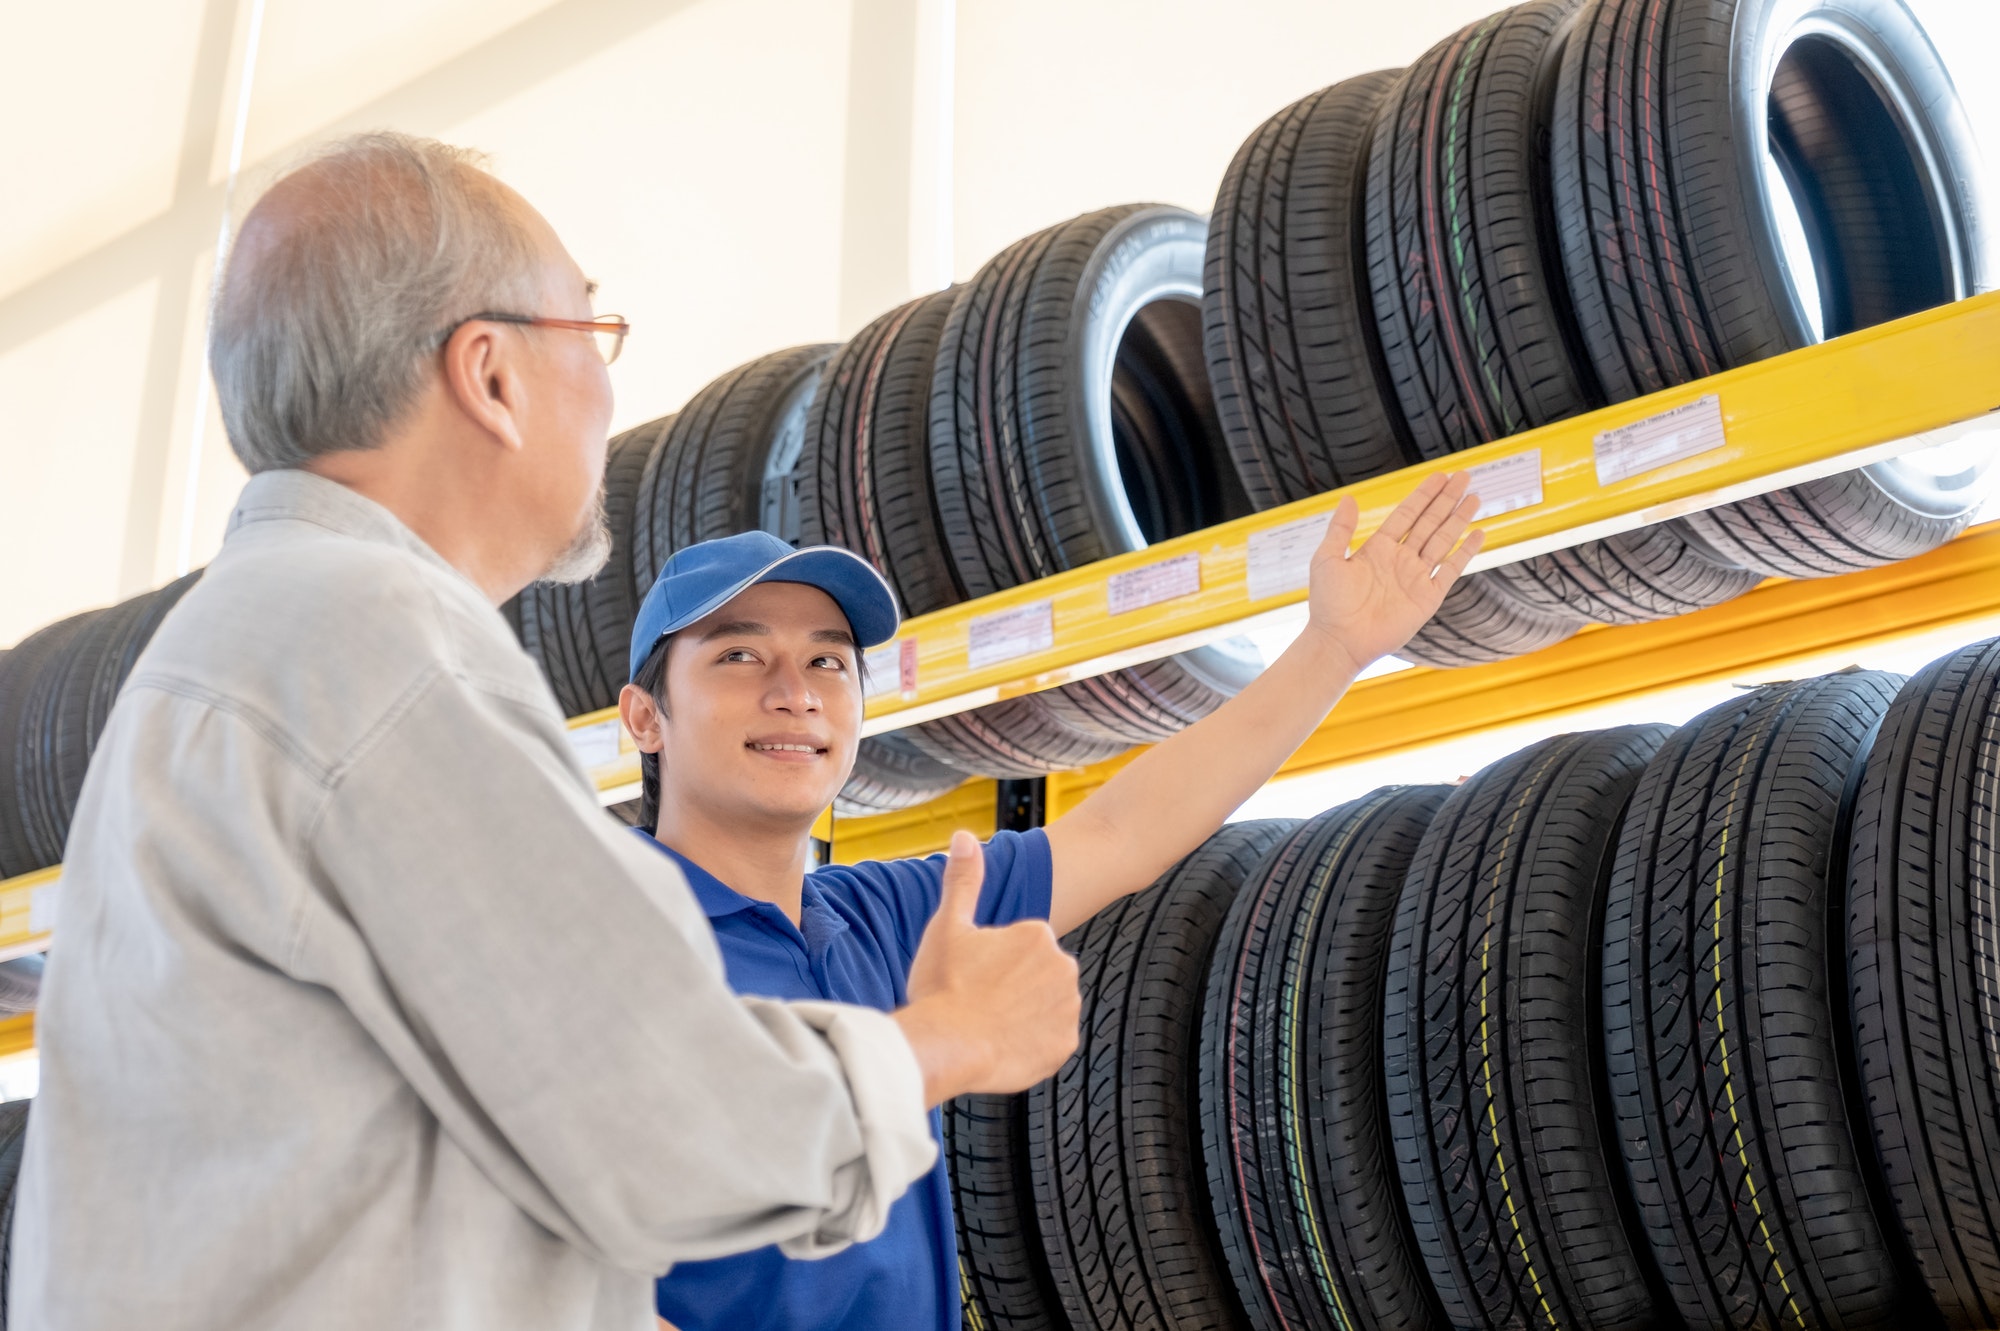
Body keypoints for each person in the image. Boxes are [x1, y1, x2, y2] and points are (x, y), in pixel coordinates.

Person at [10, 133, 1087, 1331]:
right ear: (489, 375)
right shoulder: (380, 647)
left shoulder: (247, 640)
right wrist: (944, 1040)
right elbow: (666, 1126)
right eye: (590, 328)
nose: (609, 393)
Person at [623, 471, 1482, 1331]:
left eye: (828, 661)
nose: (797, 691)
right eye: (739, 655)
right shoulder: (601, 950)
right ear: (645, 718)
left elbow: (1121, 829)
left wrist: (1333, 648)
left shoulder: (883, 918)